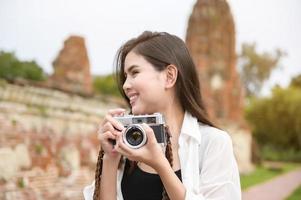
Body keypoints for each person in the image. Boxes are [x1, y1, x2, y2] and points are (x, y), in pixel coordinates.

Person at [83, 31, 241, 200]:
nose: (125, 85)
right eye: (125, 77)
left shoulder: (213, 142)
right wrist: (110, 157)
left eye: (134, 72)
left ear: (169, 76)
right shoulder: (125, 141)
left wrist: (160, 165)